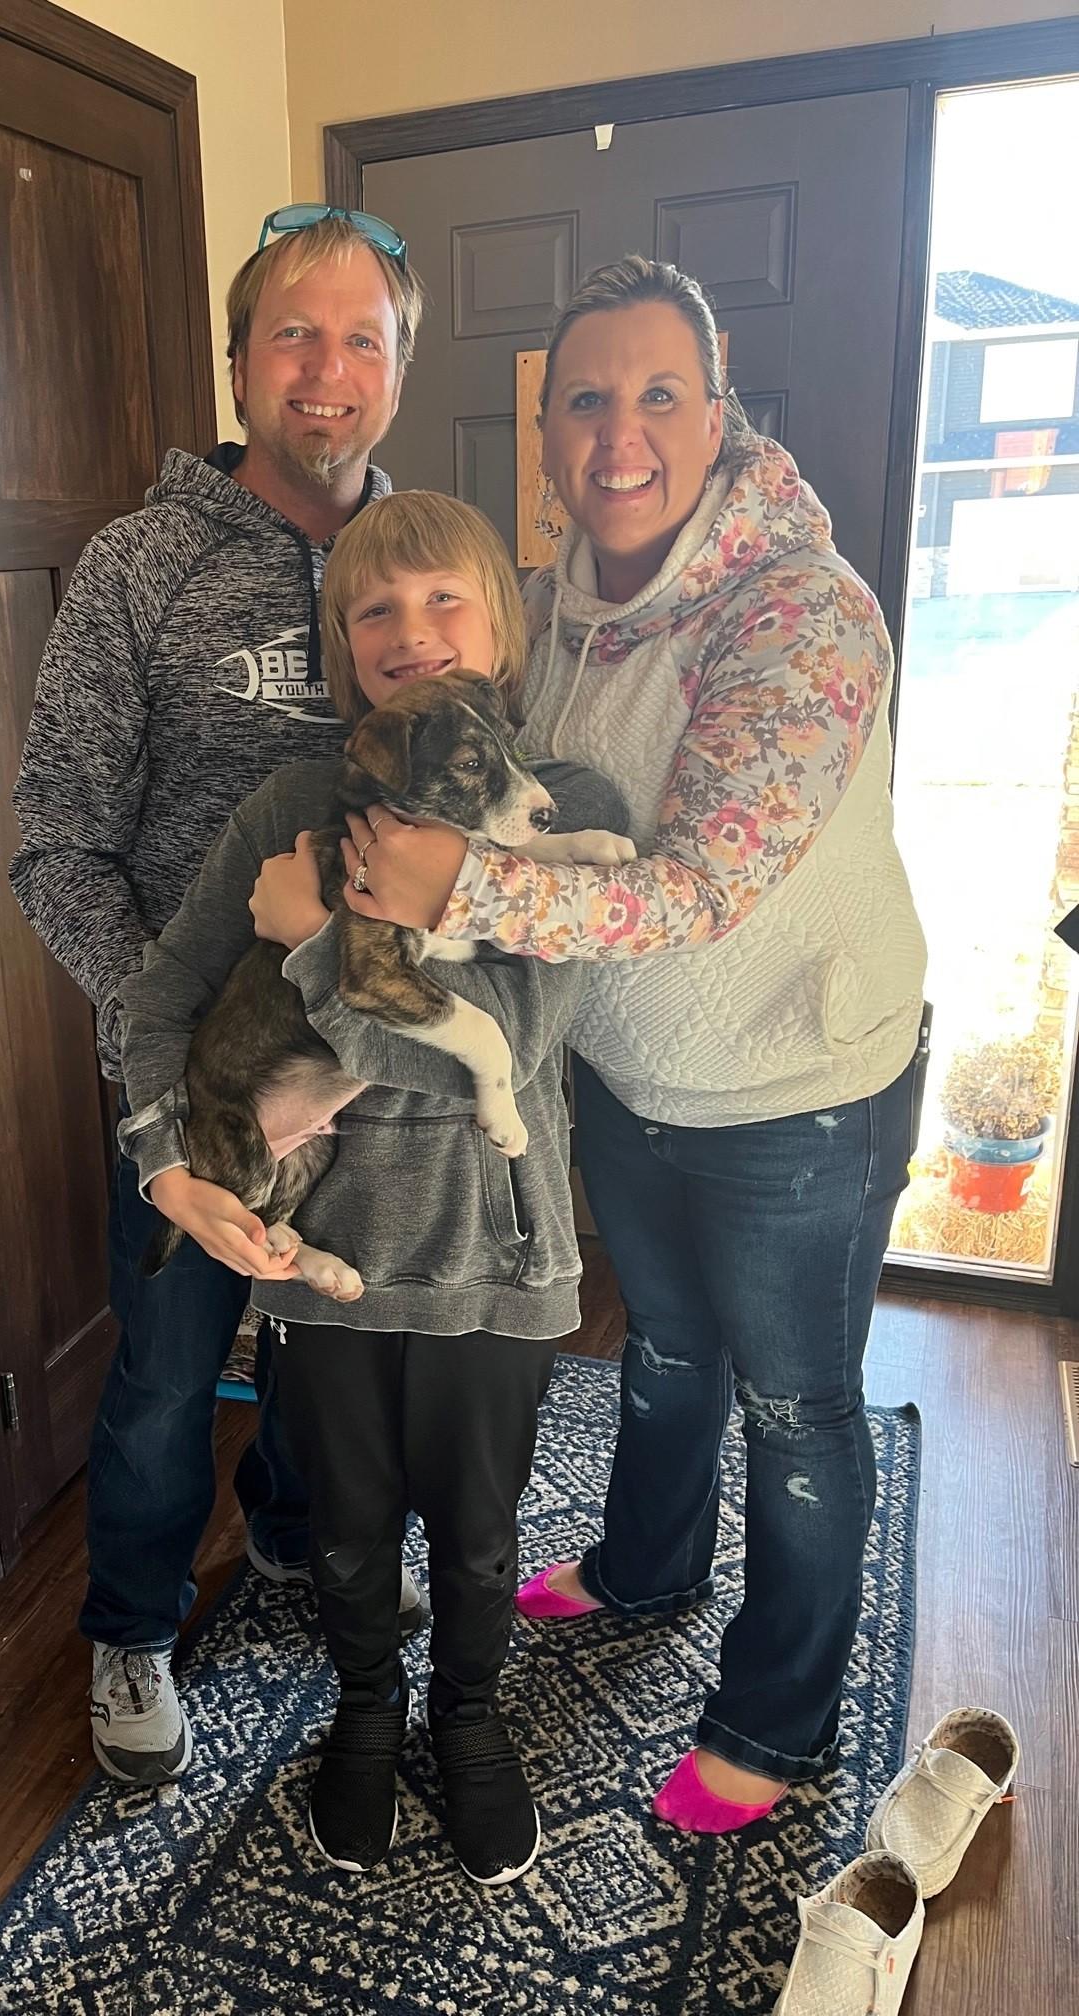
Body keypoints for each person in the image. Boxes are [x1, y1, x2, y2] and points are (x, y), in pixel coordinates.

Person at [336, 256, 929, 1836]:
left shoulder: (802, 611)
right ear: (547, 431)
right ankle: (645, 1561)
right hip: (634, 1076)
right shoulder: (569, 605)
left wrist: (456, 885)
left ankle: (778, 1714)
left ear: (718, 415)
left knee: (799, 1408)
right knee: (663, 1351)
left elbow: (707, 881)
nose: (618, 433)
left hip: (803, 1090)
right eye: (584, 400)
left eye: (657, 394)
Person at [118, 491, 601, 1885]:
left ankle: (469, 1721)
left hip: (494, 1256)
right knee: (341, 1527)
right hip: (326, 1258)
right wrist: (162, 1157)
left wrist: (319, 938)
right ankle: (369, 1718)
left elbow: (510, 1051)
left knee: (481, 1528)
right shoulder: (290, 805)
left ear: (501, 625)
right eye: (374, 610)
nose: (410, 632)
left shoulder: (560, 812)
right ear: (343, 646)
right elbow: (159, 1003)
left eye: (444, 598)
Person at [10, 208, 428, 1786]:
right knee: (168, 1376)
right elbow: (55, 843)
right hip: (183, 1083)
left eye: (361, 339)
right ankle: (128, 1630)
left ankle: (296, 1540)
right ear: (242, 359)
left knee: (335, 1353)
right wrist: (166, 1043)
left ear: (402, 366)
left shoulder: (427, 565)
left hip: (368, 1072)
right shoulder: (139, 567)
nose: (327, 373)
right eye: (294, 337)